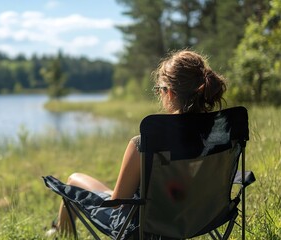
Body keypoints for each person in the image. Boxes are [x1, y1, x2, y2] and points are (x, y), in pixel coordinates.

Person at [46, 49, 227, 237]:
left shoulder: (144, 142)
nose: (160, 94)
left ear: (170, 93)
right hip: (196, 217)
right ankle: (57, 229)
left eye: (160, 89)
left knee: (74, 180)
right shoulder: (218, 136)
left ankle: (59, 232)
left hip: (141, 227)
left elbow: (117, 203)